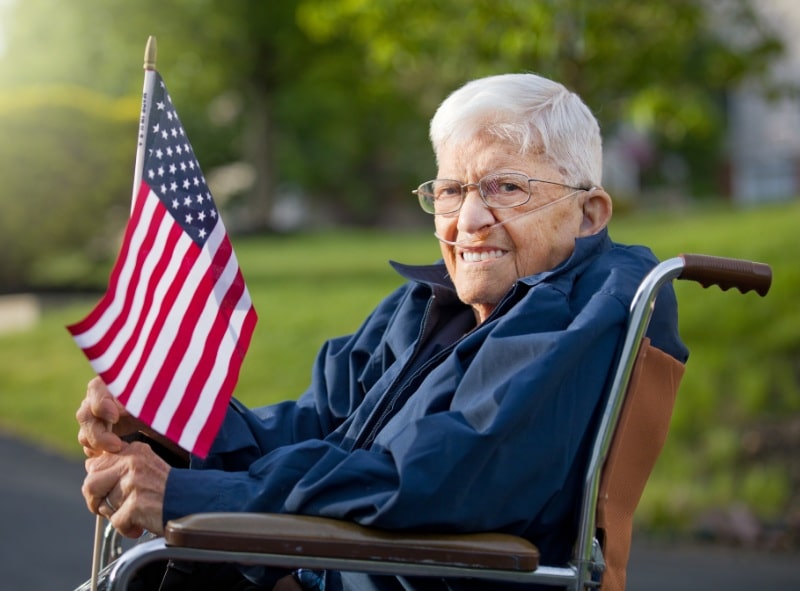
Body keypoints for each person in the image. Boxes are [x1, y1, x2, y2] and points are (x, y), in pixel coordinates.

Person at [77, 72, 688, 591]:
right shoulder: (432, 303)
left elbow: (439, 477)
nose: (468, 221)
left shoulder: (594, 307)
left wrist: (193, 498)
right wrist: (174, 424)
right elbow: (316, 427)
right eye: (450, 190)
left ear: (590, 213)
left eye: (507, 188)